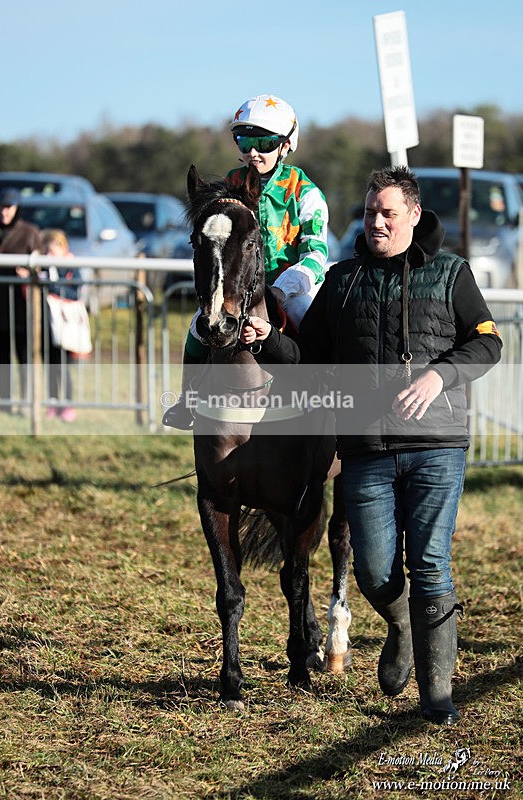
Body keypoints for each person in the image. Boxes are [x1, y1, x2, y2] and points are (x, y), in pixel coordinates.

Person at [298, 165, 502, 725]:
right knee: (374, 573)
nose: (376, 222)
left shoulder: (452, 273)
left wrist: (441, 375)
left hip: (437, 446)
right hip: (365, 450)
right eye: (369, 213)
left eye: (387, 213)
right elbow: (308, 353)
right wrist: (267, 338)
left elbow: (488, 345)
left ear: (414, 214)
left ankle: (437, 696)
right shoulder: (343, 280)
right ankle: (401, 625)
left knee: (432, 564)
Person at [163, 93, 329, 429]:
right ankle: (187, 401)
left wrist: (282, 290)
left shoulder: (304, 191)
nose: (252, 152)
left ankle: (329, 406)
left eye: (264, 142)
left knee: (317, 328)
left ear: (285, 145)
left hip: (292, 286)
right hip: (238, 286)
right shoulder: (231, 183)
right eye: (244, 141)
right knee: (197, 328)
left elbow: (316, 256)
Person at [0, 187, 42, 409]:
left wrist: (30, 273)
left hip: (21, 306)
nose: (4, 212)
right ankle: (4, 403)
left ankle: (28, 401)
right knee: (1, 357)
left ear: (17, 208)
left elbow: (41, 269)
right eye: (2, 207)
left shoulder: (30, 232)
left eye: (8, 208)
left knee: (24, 357)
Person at [40, 229, 81, 423]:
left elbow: (75, 292)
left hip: (66, 326)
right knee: (51, 367)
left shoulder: (72, 266)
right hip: (48, 325)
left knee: (65, 369)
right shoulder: (45, 268)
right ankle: (52, 403)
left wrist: (52, 286)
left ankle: (67, 405)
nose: (51, 253)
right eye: (48, 249)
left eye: (55, 247)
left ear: (63, 247)